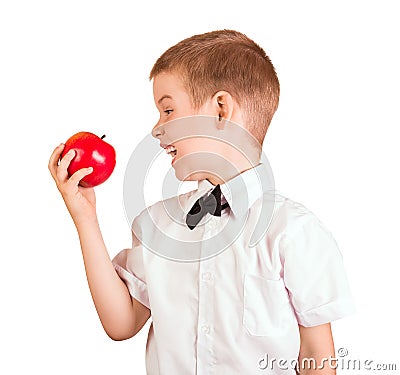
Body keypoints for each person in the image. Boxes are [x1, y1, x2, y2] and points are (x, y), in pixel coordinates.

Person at [48, 29, 355, 374]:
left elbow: (317, 355)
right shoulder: (157, 224)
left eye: (167, 110)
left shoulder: (293, 232)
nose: (156, 129)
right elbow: (121, 324)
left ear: (221, 110)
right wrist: (85, 217)